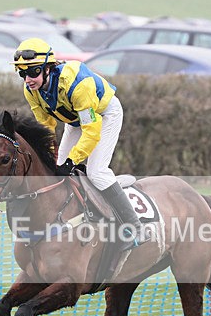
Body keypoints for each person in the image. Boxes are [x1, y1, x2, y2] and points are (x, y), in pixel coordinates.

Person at [11, 37, 148, 249]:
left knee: (96, 172)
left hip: (106, 114)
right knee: (56, 170)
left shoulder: (77, 84)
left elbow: (92, 131)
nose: (28, 79)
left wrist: (72, 160)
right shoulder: (31, 90)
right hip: (75, 121)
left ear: (48, 68)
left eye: (33, 72)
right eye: (22, 73)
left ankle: (135, 226)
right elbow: (46, 127)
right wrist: (52, 157)